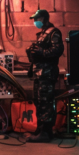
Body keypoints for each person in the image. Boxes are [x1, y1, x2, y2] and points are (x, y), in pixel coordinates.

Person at [26, 9, 64, 142]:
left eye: (37, 19)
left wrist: (42, 52)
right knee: (39, 101)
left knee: (45, 102)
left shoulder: (54, 32)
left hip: (47, 74)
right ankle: (41, 128)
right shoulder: (42, 33)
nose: (35, 22)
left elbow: (57, 50)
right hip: (39, 74)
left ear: (44, 19)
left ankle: (46, 132)